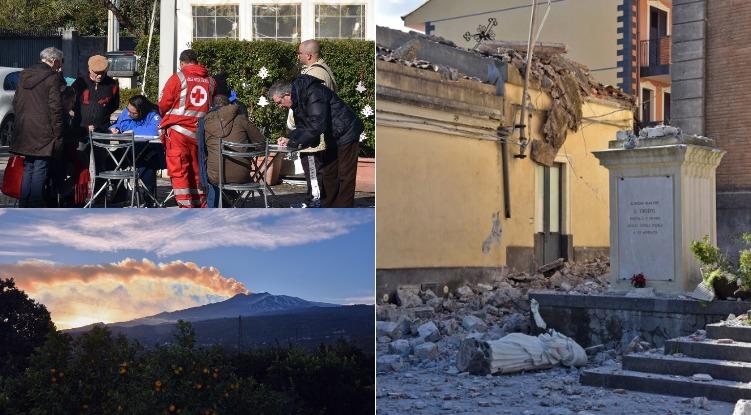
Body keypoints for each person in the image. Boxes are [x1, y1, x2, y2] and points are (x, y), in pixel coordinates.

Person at [270, 75, 363, 208]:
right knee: (329, 172)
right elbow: (303, 126)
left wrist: (294, 144)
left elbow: (316, 125)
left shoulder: (313, 92)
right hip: (332, 134)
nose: (280, 106)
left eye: (279, 102)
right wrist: (290, 138)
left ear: (287, 94)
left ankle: (344, 211)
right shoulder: (298, 99)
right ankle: (328, 207)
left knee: (345, 174)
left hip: (346, 131)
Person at [10, 46, 65, 207]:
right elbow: (55, 108)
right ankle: (35, 202)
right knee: (41, 165)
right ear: (54, 61)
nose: (60, 65)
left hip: (24, 128)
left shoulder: (24, 74)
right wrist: (59, 132)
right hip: (43, 129)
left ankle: (23, 202)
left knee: (28, 165)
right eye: (59, 62)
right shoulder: (52, 77)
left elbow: (16, 102)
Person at [158, 49, 214, 208]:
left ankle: (186, 208)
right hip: (201, 133)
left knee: (180, 171)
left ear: (181, 63)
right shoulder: (210, 81)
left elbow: (163, 105)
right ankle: (201, 206)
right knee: (198, 171)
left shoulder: (178, 78)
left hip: (179, 132)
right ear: (196, 62)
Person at [289, 39, 338, 208]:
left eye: (300, 53)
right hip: (318, 131)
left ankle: (314, 203)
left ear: (308, 55)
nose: (298, 55)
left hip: (314, 135)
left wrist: (300, 135)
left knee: (312, 169)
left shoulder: (314, 75)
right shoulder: (324, 71)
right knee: (317, 170)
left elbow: (310, 109)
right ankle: (316, 201)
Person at [72, 54, 120, 203]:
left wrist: (101, 119)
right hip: (81, 131)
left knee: (101, 164)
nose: (99, 76)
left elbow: (114, 105)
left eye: (102, 73)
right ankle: (78, 198)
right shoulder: (79, 83)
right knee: (80, 165)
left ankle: (99, 198)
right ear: (89, 70)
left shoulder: (112, 85)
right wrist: (81, 122)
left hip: (101, 130)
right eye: (96, 73)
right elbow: (70, 103)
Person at [201, 94, 264, 207]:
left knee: (213, 169)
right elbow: (261, 144)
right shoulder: (241, 119)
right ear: (230, 105)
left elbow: (202, 150)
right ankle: (230, 201)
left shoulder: (205, 122)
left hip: (215, 176)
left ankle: (216, 206)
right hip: (241, 175)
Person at [110, 95, 164, 203]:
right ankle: (120, 192)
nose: (129, 114)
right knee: (109, 162)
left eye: (133, 113)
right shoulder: (128, 110)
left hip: (147, 151)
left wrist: (133, 131)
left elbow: (154, 130)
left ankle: (149, 199)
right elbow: (119, 124)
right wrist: (114, 128)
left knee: (147, 167)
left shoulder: (153, 115)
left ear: (142, 111)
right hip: (128, 151)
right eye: (128, 111)